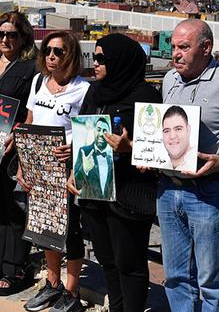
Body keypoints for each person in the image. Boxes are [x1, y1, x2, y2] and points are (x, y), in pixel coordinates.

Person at [159, 19, 219, 312]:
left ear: (206, 48)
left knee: (211, 281)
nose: (176, 54)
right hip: (168, 190)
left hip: (209, 192)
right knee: (175, 276)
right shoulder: (168, 80)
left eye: (184, 47)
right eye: (174, 47)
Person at [68, 33, 161, 312]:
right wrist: (75, 172)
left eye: (101, 58)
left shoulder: (146, 97)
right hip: (95, 192)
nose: (95, 63)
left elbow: (156, 151)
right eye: (93, 57)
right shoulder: (96, 92)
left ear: (120, 61)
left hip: (128, 195)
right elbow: (83, 133)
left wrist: (128, 147)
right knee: (107, 260)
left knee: (130, 264)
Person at [18, 31, 89, 312]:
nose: (51, 56)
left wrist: (73, 147)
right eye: (47, 50)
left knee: (70, 229)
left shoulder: (83, 89)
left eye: (58, 51)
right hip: (39, 165)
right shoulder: (39, 82)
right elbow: (30, 120)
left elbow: (90, 127)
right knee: (45, 226)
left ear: (70, 55)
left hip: (66, 167)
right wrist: (24, 162)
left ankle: (71, 292)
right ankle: (52, 282)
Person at [0, 11, 39, 296]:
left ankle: (16, 267)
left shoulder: (31, 68)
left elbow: (33, 110)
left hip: (12, 149)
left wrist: (18, 132)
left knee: (15, 208)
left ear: (23, 36)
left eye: (11, 34)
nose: (4, 39)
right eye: (0, 34)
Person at [74, 117, 114, 200]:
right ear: (94, 131)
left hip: (107, 208)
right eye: (98, 130)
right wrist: (84, 169)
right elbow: (77, 185)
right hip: (89, 207)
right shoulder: (84, 151)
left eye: (105, 131)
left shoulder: (110, 158)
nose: (101, 134)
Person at [160, 105, 196, 171]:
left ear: (188, 130)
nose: (172, 136)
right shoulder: (162, 166)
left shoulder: (199, 162)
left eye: (178, 129)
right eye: (167, 131)